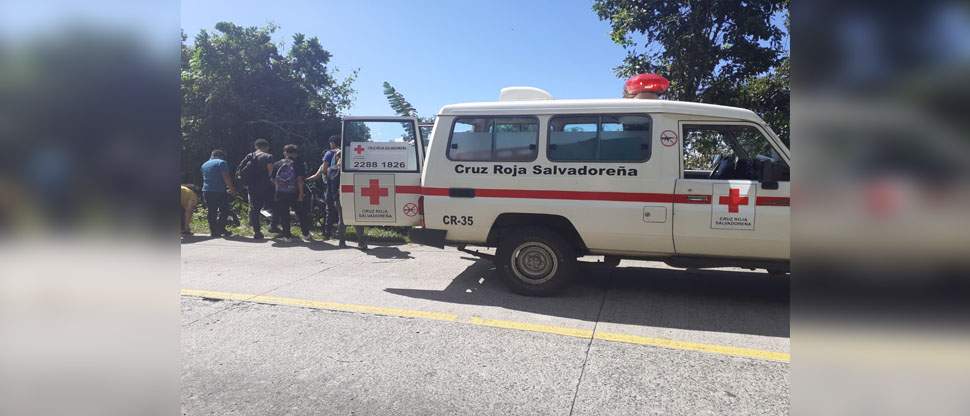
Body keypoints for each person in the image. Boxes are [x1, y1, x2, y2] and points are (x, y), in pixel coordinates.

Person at [271, 144, 312, 242]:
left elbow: (272, 179)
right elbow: (299, 180)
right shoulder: (298, 164)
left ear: (285, 153)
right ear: (295, 154)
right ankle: (306, 234)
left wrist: (280, 186)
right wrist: (301, 193)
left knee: (284, 214)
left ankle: (287, 236)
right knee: (301, 214)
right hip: (295, 192)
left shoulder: (277, 163)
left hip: (280, 193)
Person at [329, 150, 367, 249]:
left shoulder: (354, 168)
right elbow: (333, 181)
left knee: (357, 219)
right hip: (340, 198)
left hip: (355, 197)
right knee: (342, 219)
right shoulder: (332, 169)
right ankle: (342, 241)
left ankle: (361, 242)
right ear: (337, 158)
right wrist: (339, 168)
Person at [237, 139, 275, 240]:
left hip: (252, 186)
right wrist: (275, 184)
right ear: (267, 147)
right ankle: (273, 227)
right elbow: (271, 173)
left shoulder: (249, 156)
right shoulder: (268, 156)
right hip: (266, 186)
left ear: (256, 147)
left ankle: (257, 231)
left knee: (255, 209)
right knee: (275, 206)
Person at [308, 135, 340, 239]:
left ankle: (327, 232)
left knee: (329, 208)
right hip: (344, 184)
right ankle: (341, 230)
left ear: (332, 143)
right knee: (341, 208)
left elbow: (324, 169)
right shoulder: (346, 152)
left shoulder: (329, 153)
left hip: (330, 185)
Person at [200, 149, 236, 237]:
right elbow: (225, 176)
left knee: (212, 211)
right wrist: (231, 188)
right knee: (224, 210)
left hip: (206, 190)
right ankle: (221, 228)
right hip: (219, 191)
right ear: (221, 156)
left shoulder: (204, 164)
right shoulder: (221, 162)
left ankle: (213, 230)